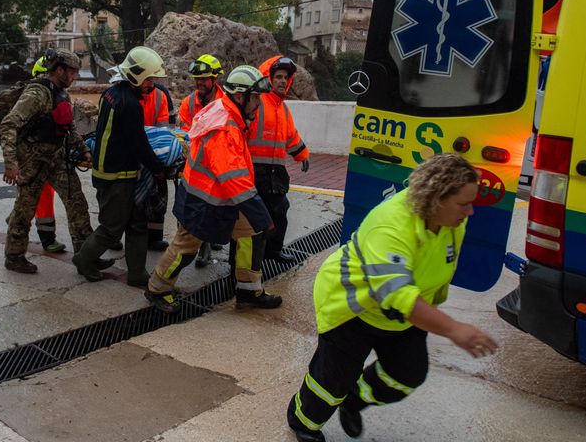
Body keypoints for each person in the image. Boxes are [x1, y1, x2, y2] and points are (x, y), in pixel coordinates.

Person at [286, 153, 497, 442]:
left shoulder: (452, 222)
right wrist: (454, 329)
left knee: (407, 375)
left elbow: (434, 269)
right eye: (463, 204)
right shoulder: (391, 225)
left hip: (400, 315)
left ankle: (355, 399)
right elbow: (398, 294)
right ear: (436, 198)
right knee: (332, 382)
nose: (470, 212)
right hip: (354, 308)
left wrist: (429, 311)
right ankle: (303, 421)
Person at [145, 65, 282, 314]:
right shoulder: (225, 128)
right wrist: (261, 213)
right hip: (204, 199)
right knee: (186, 248)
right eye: (255, 98)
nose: (259, 104)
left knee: (252, 233)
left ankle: (249, 291)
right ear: (240, 97)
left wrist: (257, 218)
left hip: (218, 197)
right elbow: (233, 179)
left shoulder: (225, 110)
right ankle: (157, 288)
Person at [0, 49, 103, 274]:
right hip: (33, 161)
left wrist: (83, 150)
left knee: (77, 203)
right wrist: (10, 163)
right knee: (24, 211)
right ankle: (14, 257)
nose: (75, 77)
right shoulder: (37, 94)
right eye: (72, 72)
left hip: (56, 158)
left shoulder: (62, 93)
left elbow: (67, 127)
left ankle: (86, 257)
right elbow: (9, 124)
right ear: (59, 70)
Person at [75, 46, 170, 285]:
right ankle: (84, 260)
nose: (152, 84)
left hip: (112, 171)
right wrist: (159, 167)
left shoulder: (112, 92)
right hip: (117, 176)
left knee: (138, 223)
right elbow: (138, 143)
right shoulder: (130, 104)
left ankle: (137, 274)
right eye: (149, 79)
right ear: (137, 76)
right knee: (111, 228)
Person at [247, 55, 310, 264]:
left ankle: (273, 251)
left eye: (286, 78)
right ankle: (245, 263)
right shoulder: (256, 102)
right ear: (269, 78)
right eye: (278, 77)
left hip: (275, 173)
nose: (283, 81)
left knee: (280, 211)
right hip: (254, 172)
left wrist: (302, 155)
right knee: (251, 221)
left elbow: (291, 136)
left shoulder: (283, 108)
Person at [178, 53, 227, 267]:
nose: (200, 83)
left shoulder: (226, 102)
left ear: (215, 79)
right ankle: (201, 248)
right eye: (197, 79)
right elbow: (184, 134)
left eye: (204, 79)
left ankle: (211, 241)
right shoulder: (188, 103)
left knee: (216, 208)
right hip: (195, 165)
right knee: (194, 208)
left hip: (218, 164)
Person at [27, 55, 64, 253]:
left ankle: (17, 218)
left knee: (33, 196)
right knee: (40, 196)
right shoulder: (35, 98)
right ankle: (47, 239)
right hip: (36, 156)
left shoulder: (55, 95)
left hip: (45, 155)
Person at [140, 80, 174, 252]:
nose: (149, 82)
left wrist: (160, 158)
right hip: (134, 151)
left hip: (155, 151)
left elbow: (164, 129)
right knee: (131, 200)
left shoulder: (160, 95)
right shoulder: (129, 93)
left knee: (158, 198)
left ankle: (155, 238)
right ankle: (119, 236)